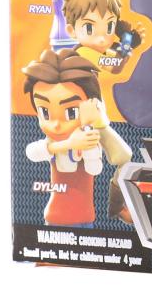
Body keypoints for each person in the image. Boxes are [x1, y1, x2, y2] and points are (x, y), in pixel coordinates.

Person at [23, 48, 132, 226]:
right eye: (45, 112)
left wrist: (95, 125)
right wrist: (69, 144)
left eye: (71, 112)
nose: (56, 125)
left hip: (86, 218)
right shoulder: (54, 144)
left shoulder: (89, 139)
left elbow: (97, 168)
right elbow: (31, 152)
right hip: (57, 219)